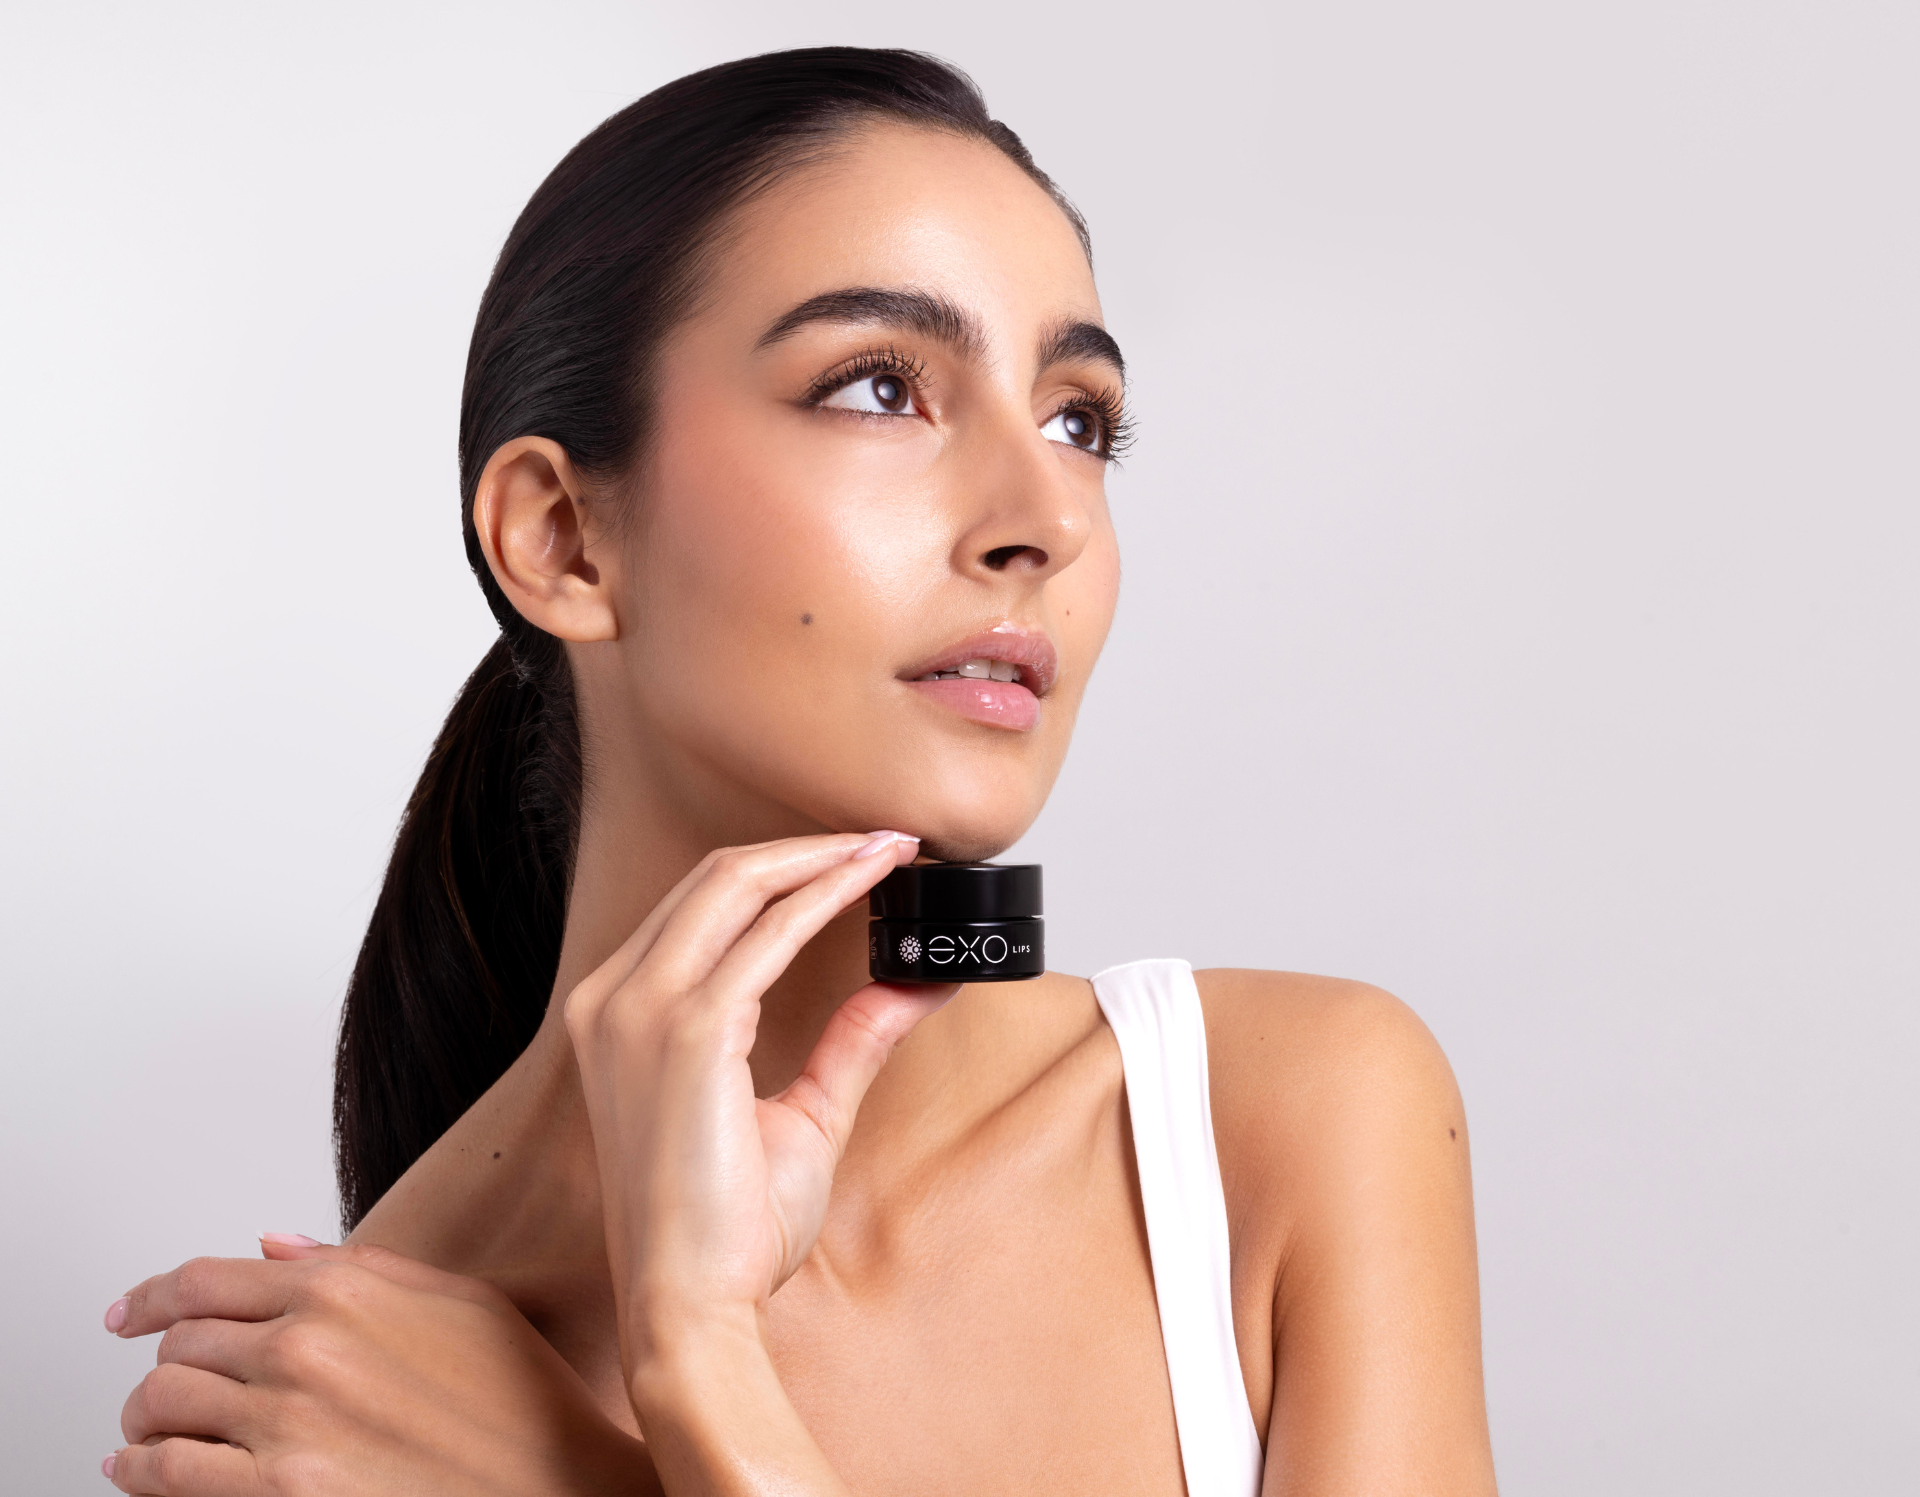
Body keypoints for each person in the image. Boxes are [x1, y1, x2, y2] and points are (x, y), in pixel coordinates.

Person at [101, 48, 1497, 1496]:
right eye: (880, 388)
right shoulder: (332, 1403)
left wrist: (675, 1386)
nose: (1046, 520)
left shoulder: (1276, 1118)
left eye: (1077, 420)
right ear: (563, 539)